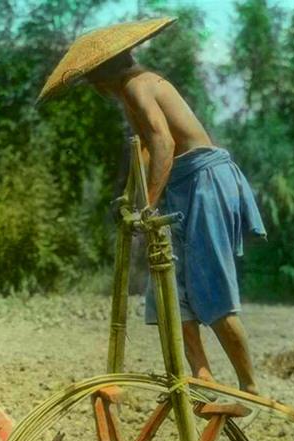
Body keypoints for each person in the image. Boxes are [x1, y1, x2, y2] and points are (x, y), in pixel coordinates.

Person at [60, 45, 266, 395]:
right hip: (181, 186)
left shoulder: (139, 86)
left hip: (205, 182)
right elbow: (143, 147)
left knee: (212, 287)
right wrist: (134, 199)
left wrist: (149, 208)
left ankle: (250, 389)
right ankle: (203, 375)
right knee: (169, 290)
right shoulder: (133, 91)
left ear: (101, 79)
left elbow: (163, 143)